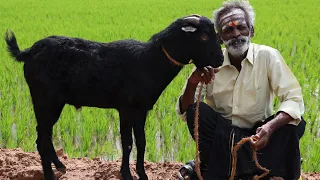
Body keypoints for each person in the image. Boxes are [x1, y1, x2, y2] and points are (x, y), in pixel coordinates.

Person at [176, 0, 306, 179]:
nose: (236, 34)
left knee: (294, 124)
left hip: (259, 138)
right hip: (222, 138)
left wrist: (269, 127)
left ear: (251, 30)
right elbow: (185, 112)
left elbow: (294, 99)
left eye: (241, 28)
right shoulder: (209, 62)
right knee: (196, 112)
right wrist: (192, 82)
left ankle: (220, 167)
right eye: (228, 30)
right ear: (219, 38)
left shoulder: (268, 56)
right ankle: (256, 168)